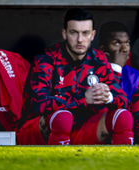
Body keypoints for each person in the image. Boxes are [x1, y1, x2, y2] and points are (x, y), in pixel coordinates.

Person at [17, 8, 133, 145]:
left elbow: (123, 99)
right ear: (64, 34)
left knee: (124, 117)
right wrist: (83, 98)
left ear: (93, 35)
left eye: (85, 33)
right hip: (39, 132)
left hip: (82, 129)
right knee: (63, 118)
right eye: (74, 33)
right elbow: (37, 105)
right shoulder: (46, 60)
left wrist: (108, 96)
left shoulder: (98, 59)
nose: (80, 40)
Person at [98, 22, 139, 144]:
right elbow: (107, 111)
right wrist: (115, 68)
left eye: (127, 43)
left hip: (127, 133)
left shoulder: (134, 76)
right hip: (98, 133)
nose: (124, 49)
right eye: (116, 43)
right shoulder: (91, 71)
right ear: (102, 48)